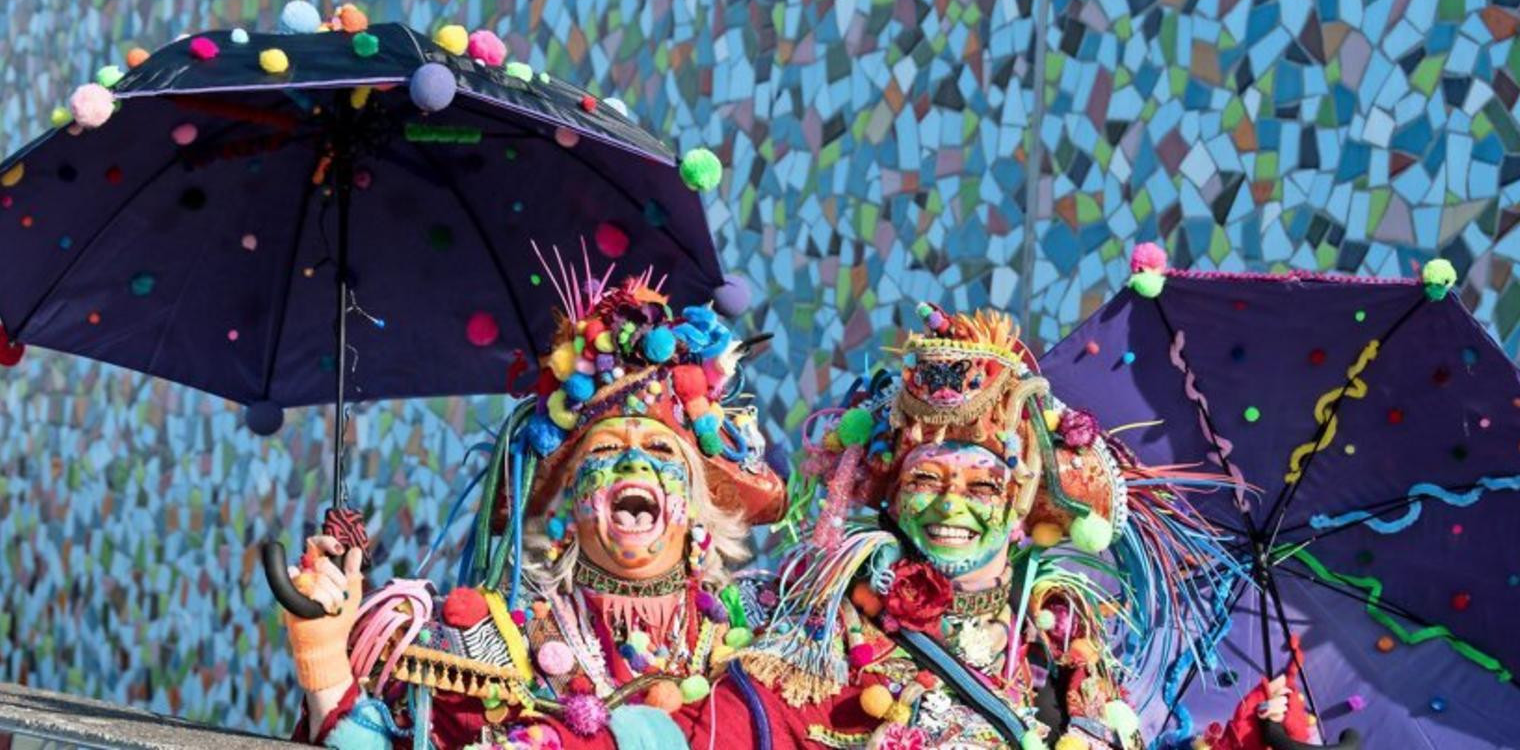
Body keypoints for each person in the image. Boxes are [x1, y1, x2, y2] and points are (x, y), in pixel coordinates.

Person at [713, 303, 1281, 750]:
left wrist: (1248, 740)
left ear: (1019, 502)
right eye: (927, 480)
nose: (950, 506)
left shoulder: (1064, 641)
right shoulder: (824, 623)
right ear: (893, 493)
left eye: (981, 486)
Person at [280, 263, 786, 749]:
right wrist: (322, 652)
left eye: (659, 452)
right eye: (606, 452)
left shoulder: (764, 633)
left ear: (699, 504)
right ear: (566, 500)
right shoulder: (490, 644)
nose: (633, 463)